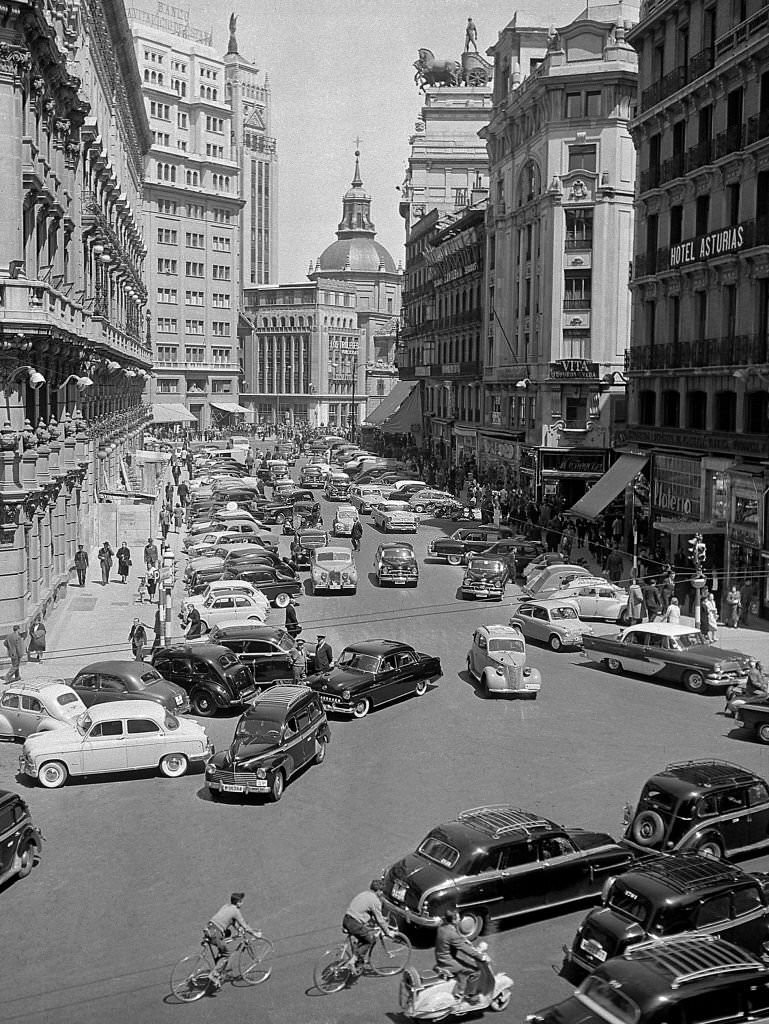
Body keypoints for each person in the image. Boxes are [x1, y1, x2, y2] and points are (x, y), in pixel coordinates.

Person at [205, 893, 261, 989]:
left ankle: (220, 969)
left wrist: (238, 929)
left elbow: (233, 921)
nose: (242, 903)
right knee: (227, 954)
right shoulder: (236, 911)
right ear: (238, 903)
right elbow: (244, 925)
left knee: (225, 940)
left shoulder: (226, 906)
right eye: (241, 902)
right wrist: (254, 933)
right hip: (215, 933)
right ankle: (214, 974)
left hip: (209, 929)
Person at [435, 906, 486, 1003]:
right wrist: (481, 956)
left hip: (441, 958)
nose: (460, 919)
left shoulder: (442, 927)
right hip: (448, 962)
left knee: (464, 964)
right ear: (454, 921)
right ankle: (463, 995)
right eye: (458, 918)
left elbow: (458, 939)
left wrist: (464, 941)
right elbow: (466, 949)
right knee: (474, 972)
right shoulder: (451, 934)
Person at [342, 881, 395, 974]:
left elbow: (366, 912)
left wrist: (373, 921)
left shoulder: (364, 894)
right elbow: (380, 920)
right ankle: (353, 960)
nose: (382, 893)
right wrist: (387, 932)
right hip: (354, 923)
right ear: (378, 891)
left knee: (361, 936)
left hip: (347, 920)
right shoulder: (375, 901)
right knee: (369, 940)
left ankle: (359, 961)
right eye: (381, 891)